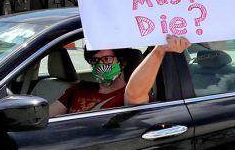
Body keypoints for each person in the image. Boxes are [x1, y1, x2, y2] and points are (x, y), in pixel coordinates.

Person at [49, 34, 191, 116]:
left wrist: (159, 50)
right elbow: (46, 117)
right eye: (95, 60)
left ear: (122, 63)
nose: (101, 65)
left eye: (107, 59)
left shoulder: (127, 95)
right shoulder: (78, 89)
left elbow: (134, 93)